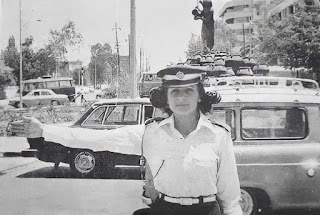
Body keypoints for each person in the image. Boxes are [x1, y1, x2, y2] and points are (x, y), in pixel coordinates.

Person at [21, 65, 242, 215]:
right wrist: (45, 131)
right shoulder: (151, 133)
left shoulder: (219, 135)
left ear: (200, 95)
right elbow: (98, 139)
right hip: (165, 210)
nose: (181, 97)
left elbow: (230, 198)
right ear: (166, 98)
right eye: (174, 92)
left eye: (188, 91)